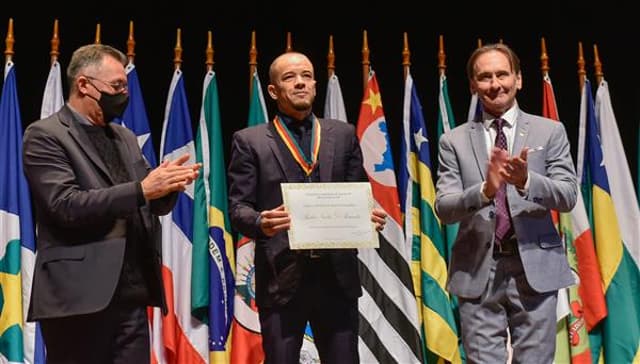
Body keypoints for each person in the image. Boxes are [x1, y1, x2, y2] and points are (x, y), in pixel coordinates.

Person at [22, 44, 200, 364]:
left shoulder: (124, 137)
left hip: (131, 298)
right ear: (84, 85)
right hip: (77, 299)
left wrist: (168, 186)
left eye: (125, 86)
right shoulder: (44, 135)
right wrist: (143, 189)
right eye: (116, 86)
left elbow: (146, 199)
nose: (123, 94)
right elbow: (65, 205)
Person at [227, 51, 386, 364]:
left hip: (337, 279)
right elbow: (237, 208)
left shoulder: (342, 135)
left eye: (307, 75)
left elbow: (359, 193)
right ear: (273, 91)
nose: (300, 83)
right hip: (281, 279)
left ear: (315, 83)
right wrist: (261, 221)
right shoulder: (250, 141)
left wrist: (370, 213)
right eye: (289, 77)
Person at [435, 43, 577, 364]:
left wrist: (526, 181)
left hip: (536, 267)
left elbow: (568, 196)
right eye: (485, 77)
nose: (495, 84)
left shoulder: (550, 131)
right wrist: (485, 191)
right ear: (473, 85)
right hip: (477, 271)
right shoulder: (453, 141)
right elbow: (444, 208)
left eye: (502, 74)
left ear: (519, 79)